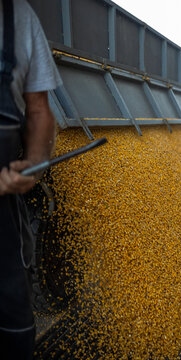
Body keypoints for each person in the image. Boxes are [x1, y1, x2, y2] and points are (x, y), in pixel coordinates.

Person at [0, 0, 62, 358]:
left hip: (3, 212)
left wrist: (35, 164)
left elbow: (38, 108)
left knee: (13, 324)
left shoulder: (18, 16)